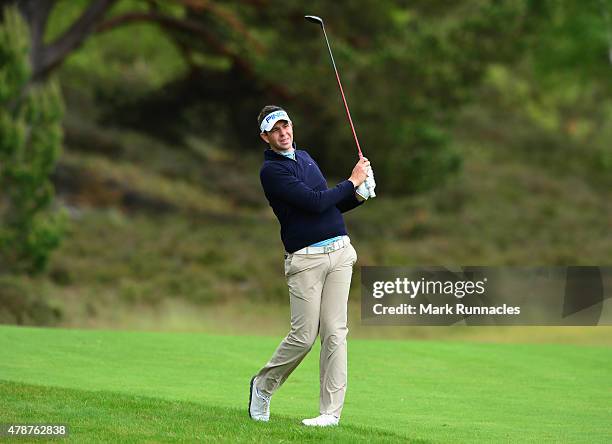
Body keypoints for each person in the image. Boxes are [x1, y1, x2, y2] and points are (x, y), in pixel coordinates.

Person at [248, 105, 373, 427]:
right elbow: (313, 202)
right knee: (304, 336)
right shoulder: (272, 172)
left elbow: (330, 205)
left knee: (335, 333)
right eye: (275, 130)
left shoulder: (304, 157)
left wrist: (359, 194)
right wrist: (351, 180)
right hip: (306, 259)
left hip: (340, 252)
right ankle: (263, 386)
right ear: (265, 137)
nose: (283, 133)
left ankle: (330, 413)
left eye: (286, 126)